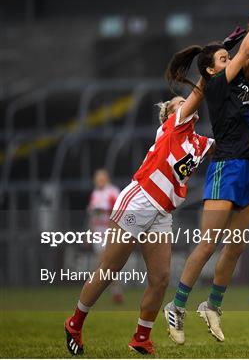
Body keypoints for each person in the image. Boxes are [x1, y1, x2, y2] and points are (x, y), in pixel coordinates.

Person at [162, 0, 249, 344]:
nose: (231, 61)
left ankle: (212, 306)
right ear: (211, 72)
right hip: (226, 167)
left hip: (248, 168)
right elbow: (246, 48)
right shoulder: (215, 87)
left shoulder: (239, 83)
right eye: (223, 60)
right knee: (208, 243)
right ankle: (177, 306)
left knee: (238, 244)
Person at [64, 89, 213, 356]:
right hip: (140, 200)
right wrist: (209, 73)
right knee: (110, 269)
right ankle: (74, 323)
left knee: (161, 278)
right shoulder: (173, 124)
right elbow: (198, 94)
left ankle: (141, 338)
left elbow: (231, 141)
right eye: (180, 102)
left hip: (163, 213)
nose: (186, 103)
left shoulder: (200, 143)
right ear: (170, 113)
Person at [87, 168, 123, 303]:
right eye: (97, 178)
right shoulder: (95, 194)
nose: (99, 181)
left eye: (102, 178)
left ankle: (92, 292)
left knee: (103, 263)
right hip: (98, 233)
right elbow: (91, 215)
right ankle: (116, 292)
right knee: (106, 264)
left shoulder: (112, 192)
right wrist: (89, 232)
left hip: (109, 232)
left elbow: (119, 212)